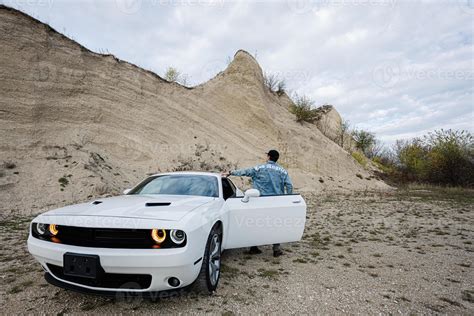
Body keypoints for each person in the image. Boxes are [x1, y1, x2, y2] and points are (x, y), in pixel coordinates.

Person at [222, 149, 293, 257]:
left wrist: (230, 173)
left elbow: (245, 172)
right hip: (276, 202)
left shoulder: (259, 168)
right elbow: (289, 185)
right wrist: (287, 198)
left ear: (268, 157)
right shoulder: (283, 171)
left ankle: (254, 247)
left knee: (256, 223)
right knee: (276, 225)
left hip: (259, 201)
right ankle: (276, 250)